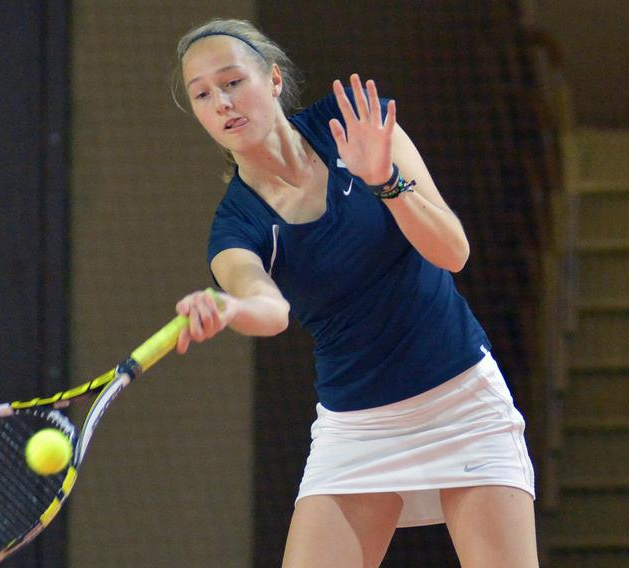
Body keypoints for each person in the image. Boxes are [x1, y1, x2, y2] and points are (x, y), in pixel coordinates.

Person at [170, 18, 538, 568]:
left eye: (231, 82)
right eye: (202, 95)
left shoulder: (353, 125)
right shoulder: (235, 229)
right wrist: (229, 308)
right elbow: (269, 310)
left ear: (272, 79)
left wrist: (385, 179)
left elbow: (453, 251)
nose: (220, 102)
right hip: (359, 427)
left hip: (462, 398)